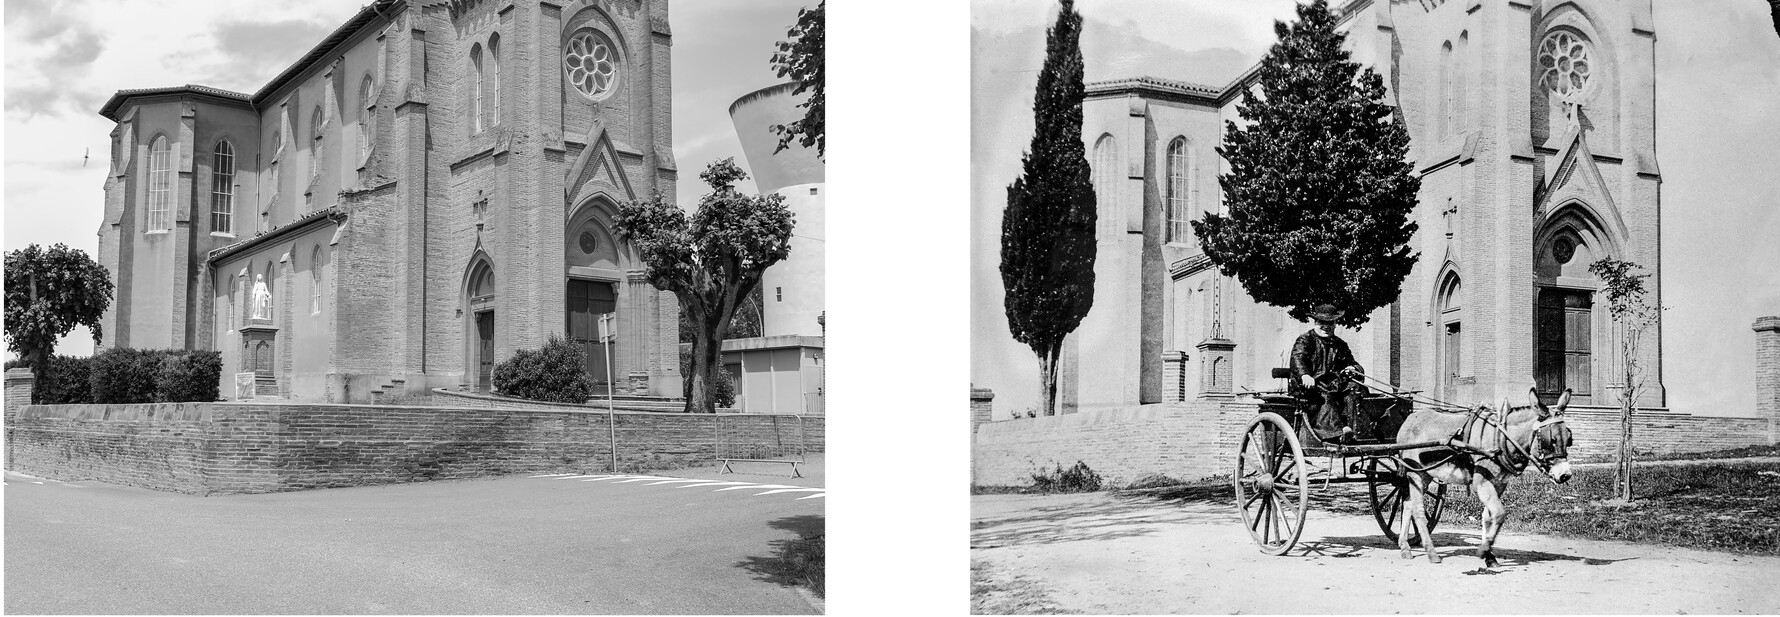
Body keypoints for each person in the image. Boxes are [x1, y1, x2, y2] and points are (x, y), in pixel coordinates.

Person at [1290, 304, 1365, 441]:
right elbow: (1298, 358)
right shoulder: (1305, 340)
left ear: (1335, 324)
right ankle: (1337, 432)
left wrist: (1352, 368)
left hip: (1334, 384)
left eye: (1330, 323)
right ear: (1315, 322)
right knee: (1326, 395)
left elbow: (1351, 362)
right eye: (1322, 322)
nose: (1326, 326)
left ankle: (1356, 430)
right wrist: (1305, 375)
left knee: (1355, 389)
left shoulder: (1340, 344)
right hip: (1310, 387)